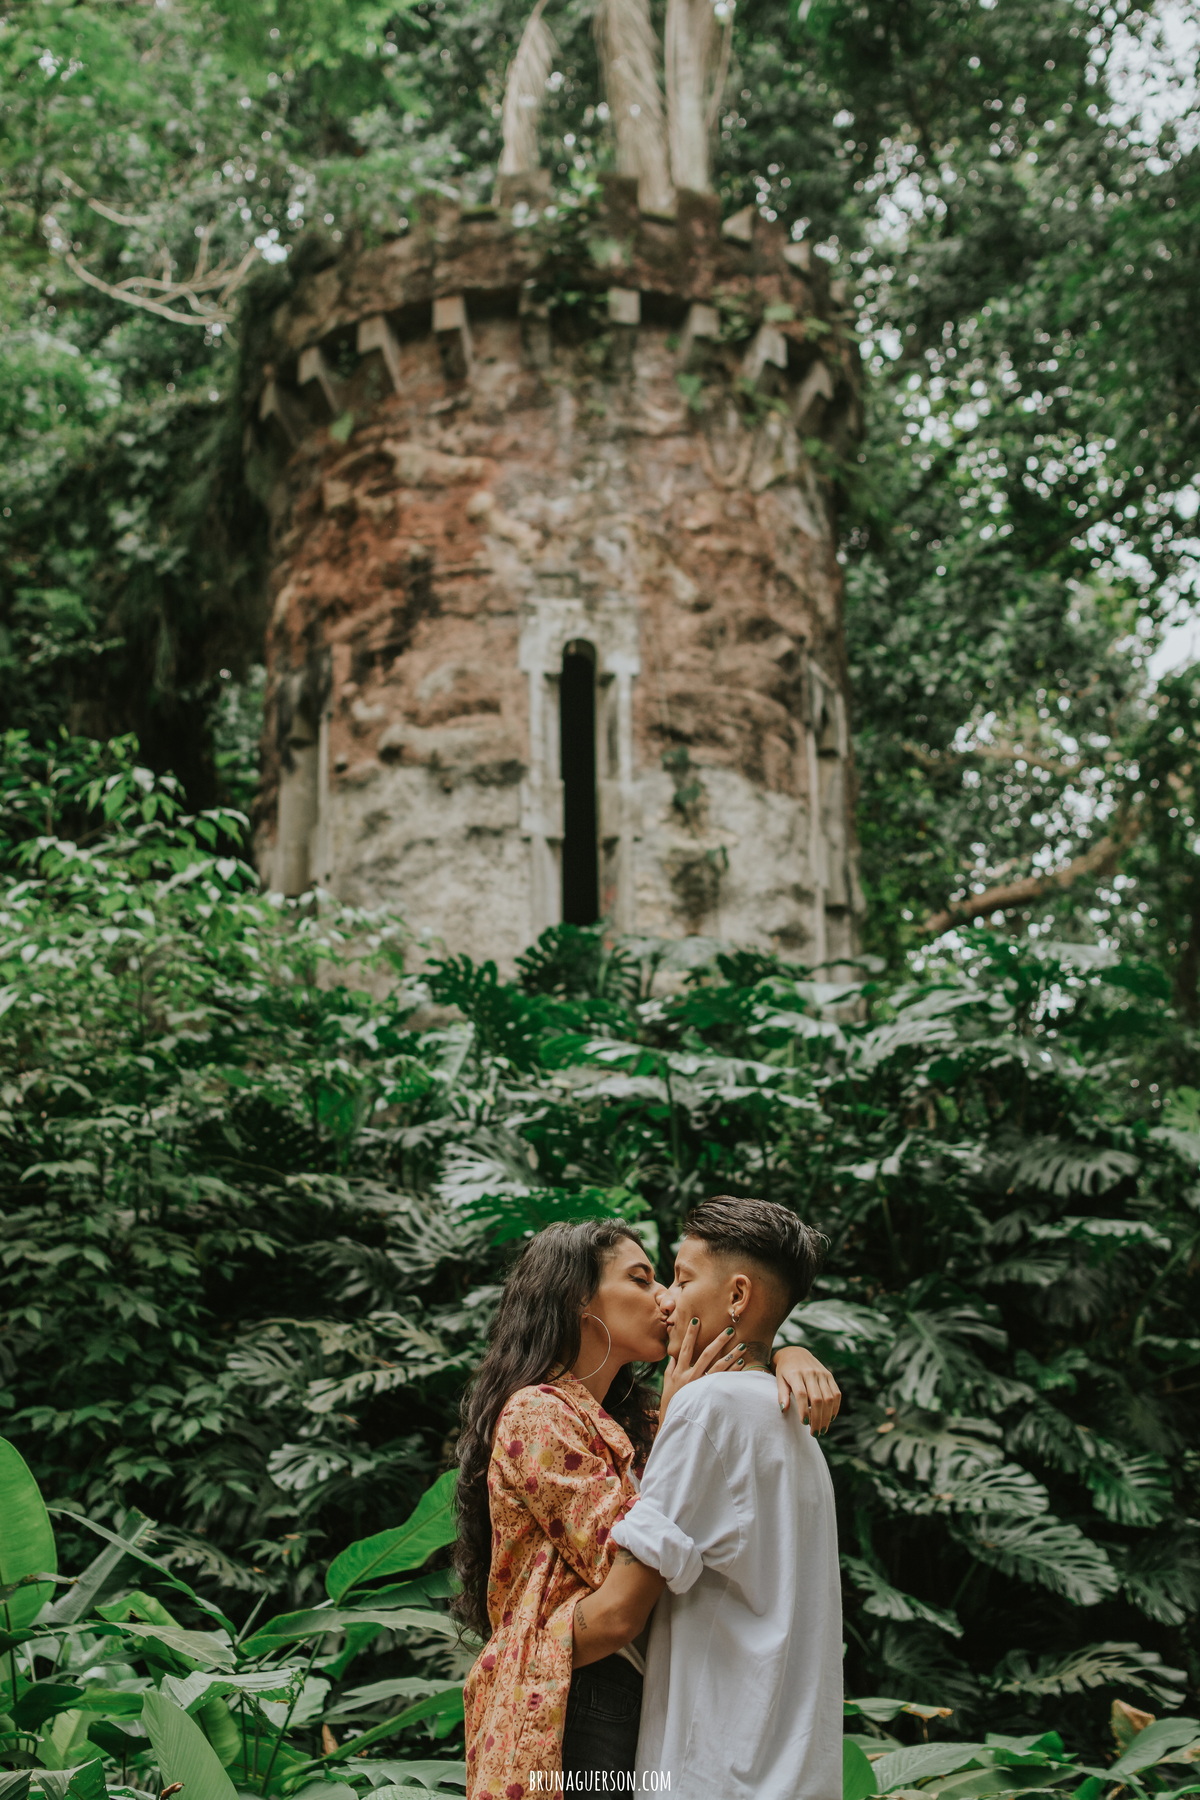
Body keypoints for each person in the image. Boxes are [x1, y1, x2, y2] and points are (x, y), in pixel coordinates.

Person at [455, 1217, 840, 1800]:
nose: (665, 1298)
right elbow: (624, 1569)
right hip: (576, 1695)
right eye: (642, 1280)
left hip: (630, 1690)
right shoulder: (540, 1412)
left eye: (669, 1279)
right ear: (579, 1301)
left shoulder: (641, 1423)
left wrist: (785, 1351)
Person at [573, 1197, 842, 1800]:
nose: (667, 1297)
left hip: (711, 1775)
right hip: (791, 1776)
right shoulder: (794, 1427)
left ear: (738, 1297)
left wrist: (510, 1656)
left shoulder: (707, 1409)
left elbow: (618, 1613)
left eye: (682, 1278)